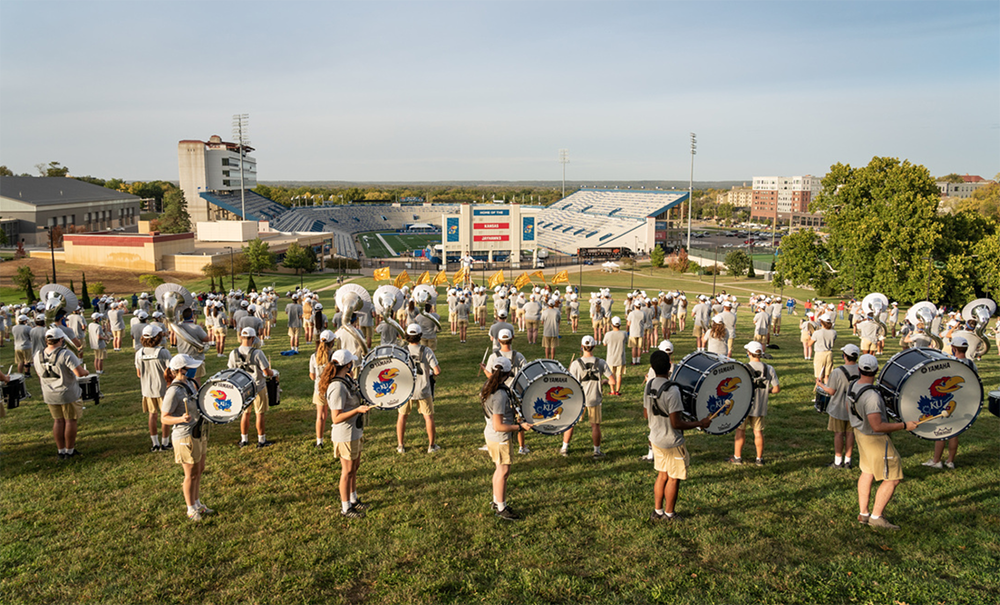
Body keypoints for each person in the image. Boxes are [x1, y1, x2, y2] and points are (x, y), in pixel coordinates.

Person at [849, 354, 917, 530]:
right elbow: (877, 426)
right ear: (877, 370)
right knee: (893, 478)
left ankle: (863, 513)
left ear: (859, 369)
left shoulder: (854, 385)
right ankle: (876, 517)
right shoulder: (871, 396)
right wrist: (904, 425)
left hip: (861, 434)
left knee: (867, 472)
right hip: (874, 439)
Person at [645, 350, 711, 521]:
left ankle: (657, 511)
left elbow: (646, 414)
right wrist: (700, 423)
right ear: (669, 367)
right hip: (672, 441)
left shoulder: (649, 385)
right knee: (673, 479)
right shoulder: (673, 390)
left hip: (655, 438)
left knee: (662, 475)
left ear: (652, 367)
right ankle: (669, 514)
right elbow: (676, 423)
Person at [160, 353, 213, 521]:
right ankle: (190, 509)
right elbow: (164, 417)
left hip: (198, 431)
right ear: (181, 370)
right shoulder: (173, 391)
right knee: (190, 474)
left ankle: (197, 503)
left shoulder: (190, 383)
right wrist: (180, 419)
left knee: (199, 470)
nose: (194, 369)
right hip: (184, 436)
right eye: (190, 367)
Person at [320, 349, 371, 518]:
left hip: (354, 431)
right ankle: (345, 507)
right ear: (347, 365)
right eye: (352, 363)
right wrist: (357, 409)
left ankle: (354, 499)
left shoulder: (346, 379)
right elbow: (335, 417)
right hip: (345, 434)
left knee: (354, 467)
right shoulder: (337, 387)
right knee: (347, 471)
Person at [481, 356, 534, 520]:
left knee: (499, 469)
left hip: (492, 434)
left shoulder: (490, 386)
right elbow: (499, 425)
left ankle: (497, 501)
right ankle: (501, 508)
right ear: (508, 373)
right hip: (499, 436)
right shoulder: (500, 395)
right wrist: (519, 427)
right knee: (503, 471)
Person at [34, 327, 89, 459]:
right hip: (67, 392)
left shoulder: (37, 354)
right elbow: (79, 373)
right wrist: (86, 372)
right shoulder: (66, 354)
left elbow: (39, 374)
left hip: (49, 393)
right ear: (61, 340)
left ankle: (61, 450)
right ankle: (69, 451)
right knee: (70, 420)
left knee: (58, 421)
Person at [923, 335, 975, 469]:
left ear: (953, 349)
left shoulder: (949, 363)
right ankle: (950, 461)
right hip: (963, 402)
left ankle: (936, 461)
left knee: (941, 431)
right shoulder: (970, 363)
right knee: (955, 431)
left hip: (946, 402)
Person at [729, 341, 779, 466]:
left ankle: (737, 457)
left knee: (740, 431)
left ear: (748, 353)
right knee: (758, 432)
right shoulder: (769, 369)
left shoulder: (743, 368)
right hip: (760, 406)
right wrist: (766, 391)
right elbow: (776, 389)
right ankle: (759, 459)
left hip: (743, 406)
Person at [562, 335, 613, 458]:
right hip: (594, 398)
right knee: (595, 425)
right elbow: (613, 381)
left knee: (571, 423)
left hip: (578, 398)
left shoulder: (575, 364)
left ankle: (564, 448)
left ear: (582, 347)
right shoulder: (601, 362)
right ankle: (596, 451)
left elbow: (571, 383)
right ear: (593, 346)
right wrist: (604, 382)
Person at [397, 324, 441, 454]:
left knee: (402, 417)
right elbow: (437, 371)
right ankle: (431, 446)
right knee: (429, 418)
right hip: (423, 389)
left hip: (406, 390)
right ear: (420, 336)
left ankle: (400, 445)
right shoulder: (426, 351)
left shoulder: (402, 350)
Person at [815, 344, 861, 469]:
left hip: (839, 407)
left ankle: (838, 461)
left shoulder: (837, 372)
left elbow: (831, 391)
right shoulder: (861, 370)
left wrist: (821, 385)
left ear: (845, 356)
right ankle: (848, 460)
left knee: (839, 434)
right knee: (851, 434)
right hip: (855, 408)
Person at [484, 329, 529, 454]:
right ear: (512, 338)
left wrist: (484, 370)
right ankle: (522, 447)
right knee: (519, 419)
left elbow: (491, 377)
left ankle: (494, 441)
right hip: (516, 393)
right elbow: (526, 373)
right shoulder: (519, 356)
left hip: (500, 392)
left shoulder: (493, 357)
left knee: (497, 418)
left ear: (498, 341)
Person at [230, 327, 274, 449]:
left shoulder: (233, 353)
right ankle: (261, 439)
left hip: (243, 387)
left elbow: (231, 371)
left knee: (245, 414)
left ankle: (244, 439)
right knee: (259, 414)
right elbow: (266, 371)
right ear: (253, 338)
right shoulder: (258, 353)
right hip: (258, 386)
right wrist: (272, 373)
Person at [135, 325, 172, 452]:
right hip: (163, 389)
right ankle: (165, 442)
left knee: (152, 415)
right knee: (165, 415)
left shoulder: (139, 353)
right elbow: (170, 372)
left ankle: (155, 443)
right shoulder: (163, 352)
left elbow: (139, 374)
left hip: (147, 389)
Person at [310, 330, 337, 448]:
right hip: (333, 389)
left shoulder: (314, 356)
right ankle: (336, 438)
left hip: (319, 389)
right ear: (332, 342)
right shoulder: (334, 356)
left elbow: (312, 376)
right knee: (336, 414)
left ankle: (319, 441)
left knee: (320, 416)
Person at [603, 316, 627, 396]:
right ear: (620, 325)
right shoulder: (623, 334)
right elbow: (626, 341)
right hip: (620, 357)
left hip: (611, 358)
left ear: (611, 325)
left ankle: (612, 390)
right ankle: (617, 391)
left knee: (611, 375)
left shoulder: (608, 334)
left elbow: (604, 343)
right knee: (619, 375)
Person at [810, 313, 837, 382]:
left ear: (821, 322)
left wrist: (811, 335)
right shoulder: (834, 332)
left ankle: (819, 390)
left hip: (820, 354)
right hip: (829, 353)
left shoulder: (817, 333)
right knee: (827, 375)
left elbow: (809, 344)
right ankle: (826, 390)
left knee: (819, 376)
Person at [627, 301, 646, 366]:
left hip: (633, 332)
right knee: (639, 348)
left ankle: (634, 361)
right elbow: (644, 321)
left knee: (634, 347)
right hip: (640, 331)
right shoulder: (643, 313)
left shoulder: (631, 313)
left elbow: (628, 323)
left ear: (634, 306)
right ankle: (638, 360)